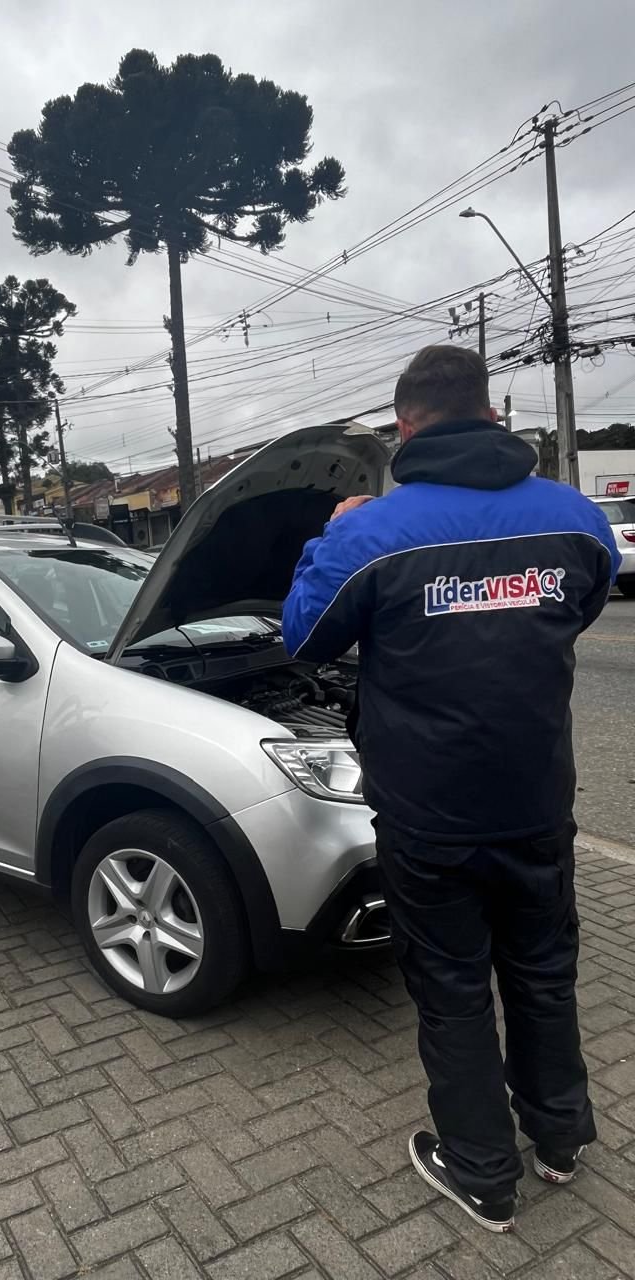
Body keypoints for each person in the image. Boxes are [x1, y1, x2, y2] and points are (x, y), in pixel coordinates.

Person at [282, 345, 620, 1233]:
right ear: (493, 414)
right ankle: (559, 1139)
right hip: (537, 805)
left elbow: (305, 638)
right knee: (544, 973)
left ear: (404, 427)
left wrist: (329, 532)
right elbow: (583, 608)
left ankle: (482, 1175)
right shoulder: (577, 517)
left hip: (428, 817)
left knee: (453, 987)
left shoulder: (370, 533)